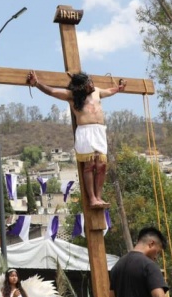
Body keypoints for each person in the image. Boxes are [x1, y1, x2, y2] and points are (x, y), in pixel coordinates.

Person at [27, 71, 124, 207]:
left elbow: (109, 91)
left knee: (101, 166)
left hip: (100, 131)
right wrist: (36, 84)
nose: (91, 84)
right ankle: (92, 198)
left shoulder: (96, 91)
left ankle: (99, 196)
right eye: (88, 83)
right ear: (81, 87)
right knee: (89, 165)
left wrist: (118, 89)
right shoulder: (72, 96)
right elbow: (52, 91)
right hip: (85, 131)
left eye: (91, 82)